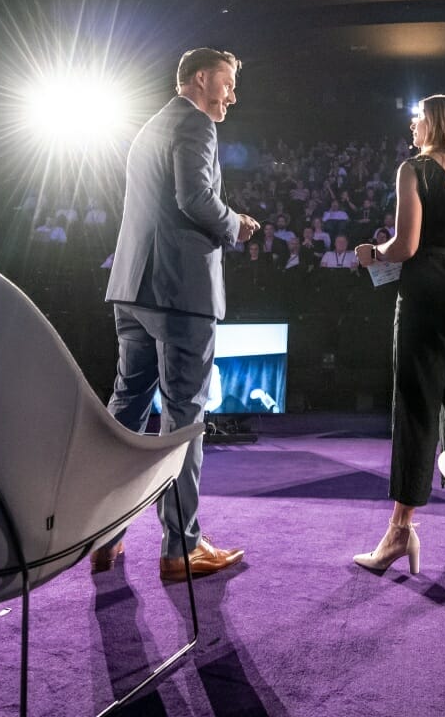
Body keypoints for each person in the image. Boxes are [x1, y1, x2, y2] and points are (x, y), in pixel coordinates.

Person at [99, 47, 256, 582]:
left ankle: (104, 536)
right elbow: (195, 200)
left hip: (132, 288)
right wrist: (237, 224)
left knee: (125, 413)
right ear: (201, 79)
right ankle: (181, 548)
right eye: (227, 84)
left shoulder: (149, 127)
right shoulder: (195, 124)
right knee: (184, 415)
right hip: (179, 293)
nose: (232, 95)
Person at [352, 94, 445, 577]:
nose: (413, 123)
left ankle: (401, 533)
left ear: (436, 123)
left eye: (418, 116)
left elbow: (406, 246)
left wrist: (371, 254)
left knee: (417, 409)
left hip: (427, 299)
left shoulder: (413, 169)